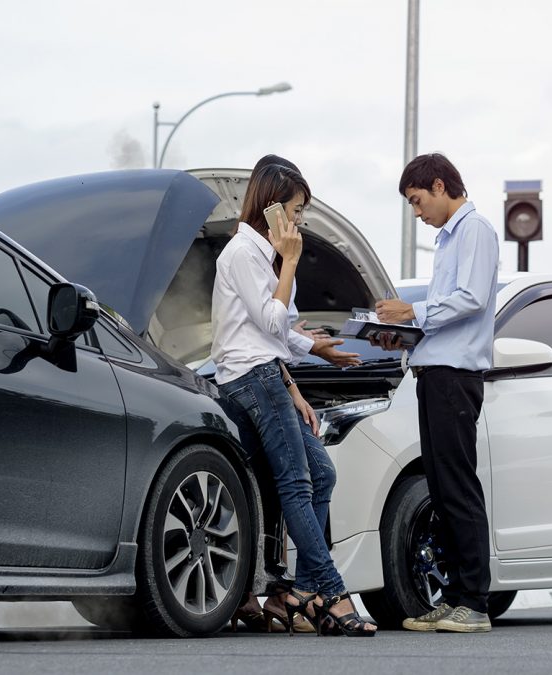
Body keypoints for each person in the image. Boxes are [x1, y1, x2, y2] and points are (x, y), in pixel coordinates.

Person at [212, 162, 376, 637]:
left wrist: (315, 352)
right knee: (297, 485)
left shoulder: (262, 254)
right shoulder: (245, 252)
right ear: (274, 207)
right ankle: (331, 591)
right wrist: (291, 261)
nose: (301, 220)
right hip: (252, 380)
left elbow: (280, 328)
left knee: (321, 473)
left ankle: (303, 588)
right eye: (298, 210)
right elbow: (269, 323)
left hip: (266, 375)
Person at [375, 153, 500, 633]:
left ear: (441, 185)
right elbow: (446, 312)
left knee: (458, 487)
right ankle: (453, 598)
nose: (417, 212)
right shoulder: (449, 239)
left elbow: (470, 299)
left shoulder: (476, 230)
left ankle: (474, 601)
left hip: (455, 377)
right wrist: (401, 332)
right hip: (434, 373)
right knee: (443, 491)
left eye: (417, 200)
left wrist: (413, 314)